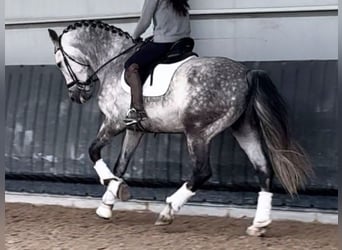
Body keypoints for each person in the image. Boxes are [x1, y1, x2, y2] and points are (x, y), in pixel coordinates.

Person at [124, 0, 191, 125]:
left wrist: (133, 37)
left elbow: (144, 22)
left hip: (164, 43)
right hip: (183, 42)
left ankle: (137, 110)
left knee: (130, 64)